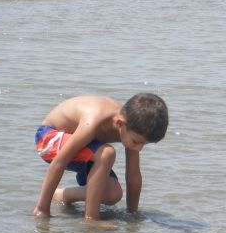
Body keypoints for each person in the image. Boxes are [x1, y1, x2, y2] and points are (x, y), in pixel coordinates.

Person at [34, 93, 168, 221]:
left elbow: (133, 175)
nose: (139, 148)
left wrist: (132, 214)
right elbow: (59, 163)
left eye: (144, 144)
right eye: (136, 142)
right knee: (106, 154)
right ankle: (91, 217)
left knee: (113, 193)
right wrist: (42, 209)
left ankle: (60, 195)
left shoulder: (131, 126)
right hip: (48, 140)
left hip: (84, 150)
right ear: (120, 124)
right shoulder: (93, 121)